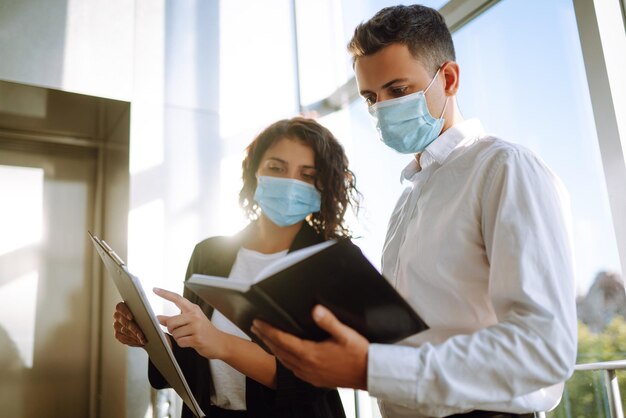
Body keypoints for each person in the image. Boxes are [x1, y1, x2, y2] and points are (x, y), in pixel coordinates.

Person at [252, 4, 577, 418]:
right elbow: (420, 334)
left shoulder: (504, 168)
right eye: (371, 97)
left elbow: (543, 348)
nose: (382, 107)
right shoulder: (409, 198)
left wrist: (372, 367)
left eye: (399, 90)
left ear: (449, 78)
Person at [113, 117, 360, 418]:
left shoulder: (335, 262)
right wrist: (153, 340)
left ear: (325, 187)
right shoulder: (209, 253)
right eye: (277, 168)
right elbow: (197, 359)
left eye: (307, 175)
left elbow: (314, 380)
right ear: (255, 171)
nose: (290, 183)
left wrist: (222, 344)